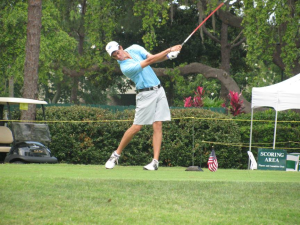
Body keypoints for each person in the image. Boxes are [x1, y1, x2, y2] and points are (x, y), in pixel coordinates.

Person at [105, 41, 182, 170]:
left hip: (159, 90)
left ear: (121, 47)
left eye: (117, 53)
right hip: (145, 95)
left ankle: (155, 162)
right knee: (136, 127)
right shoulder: (125, 68)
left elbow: (153, 57)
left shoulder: (135, 48)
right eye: (114, 56)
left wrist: (169, 56)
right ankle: (115, 155)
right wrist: (170, 49)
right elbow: (149, 61)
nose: (118, 57)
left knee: (158, 124)